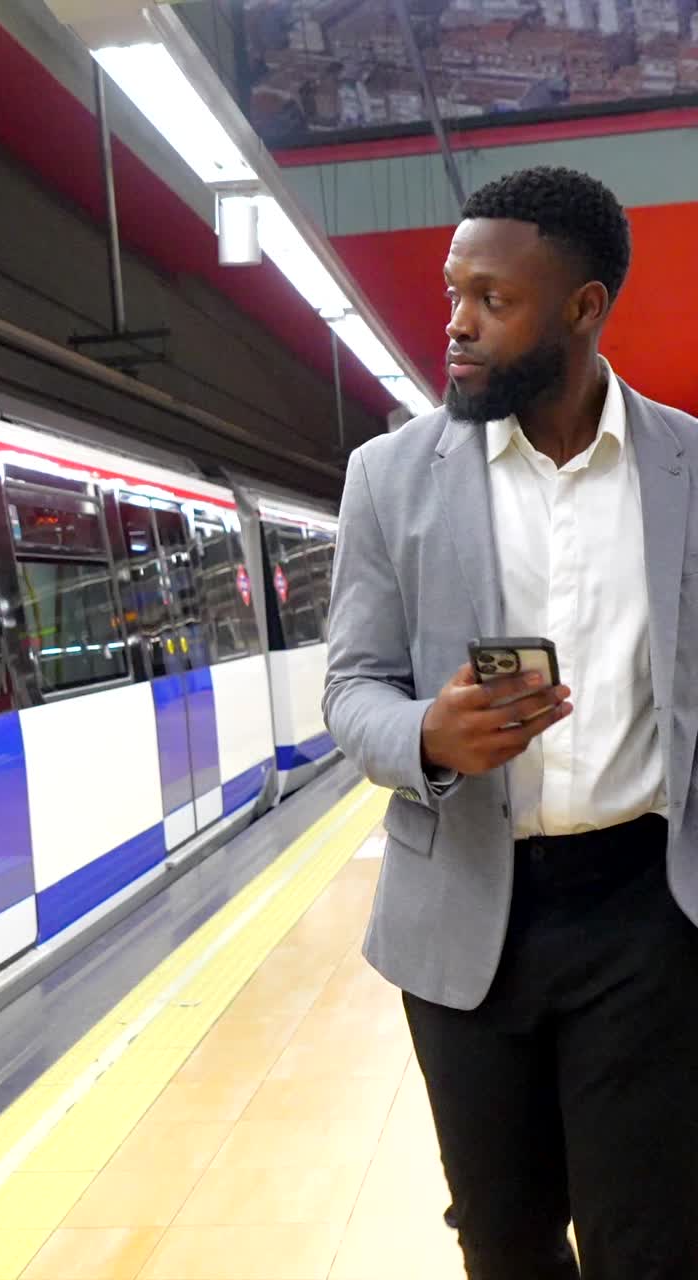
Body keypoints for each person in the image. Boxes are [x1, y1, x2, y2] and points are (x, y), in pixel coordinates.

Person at [322, 165, 698, 1280]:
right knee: (504, 1238)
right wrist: (427, 738)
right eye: (454, 294)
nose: (457, 323)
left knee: (653, 1240)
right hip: (464, 919)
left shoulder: (687, 467)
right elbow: (352, 688)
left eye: (492, 299)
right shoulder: (389, 479)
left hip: (649, 917)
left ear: (583, 307)